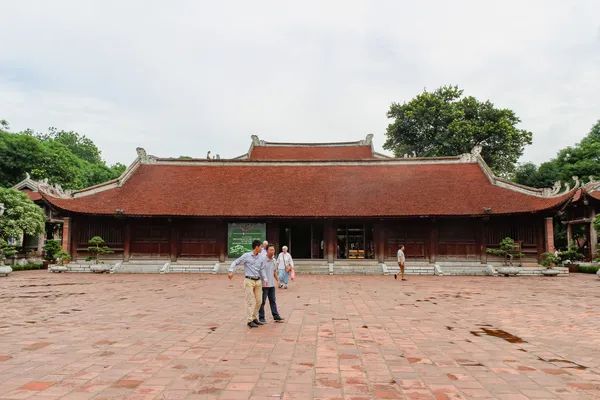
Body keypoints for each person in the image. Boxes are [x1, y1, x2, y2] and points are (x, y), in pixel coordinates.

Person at [228, 239, 269, 328]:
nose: (262, 248)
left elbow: (262, 269)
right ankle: (249, 320)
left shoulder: (261, 257)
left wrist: (265, 278)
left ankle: (254, 317)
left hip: (258, 281)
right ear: (257, 247)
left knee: (259, 301)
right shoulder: (246, 256)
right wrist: (231, 270)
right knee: (250, 300)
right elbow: (236, 262)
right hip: (249, 280)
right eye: (261, 247)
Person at [259, 244, 285, 324]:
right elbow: (261, 271)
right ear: (266, 251)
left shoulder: (274, 260)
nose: (272, 251)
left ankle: (276, 316)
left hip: (271, 285)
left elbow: (274, 271)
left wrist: (277, 280)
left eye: (273, 250)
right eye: (270, 250)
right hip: (264, 285)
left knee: (273, 300)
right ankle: (261, 318)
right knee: (262, 302)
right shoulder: (262, 260)